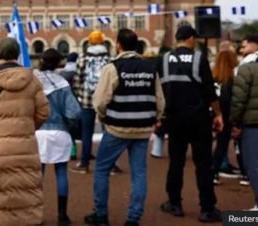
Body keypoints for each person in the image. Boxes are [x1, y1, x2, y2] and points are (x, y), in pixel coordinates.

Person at [84, 29, 165, 226]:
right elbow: (160, 101)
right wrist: (154, 118)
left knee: (102, 169)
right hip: (143, 129)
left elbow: (100, 101)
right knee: (139, 173)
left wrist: (104, 118)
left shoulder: (113, 68)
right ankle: (133, 218)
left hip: (117, 128)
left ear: (118, 45)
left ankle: (101, 215)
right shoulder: (150, 68)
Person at [0, 37, 50, 226]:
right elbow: (43, 112)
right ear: (17, 54)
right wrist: (28, 128)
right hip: (27, 143)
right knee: (28, 185)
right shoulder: (32, 79)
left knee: (2, 190)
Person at [159, 24, 223, 222]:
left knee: (176, 163)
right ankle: (207, 208)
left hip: (174, 118)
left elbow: (159, 89)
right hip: (198, 118)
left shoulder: (163, 59)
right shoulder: (199, 58)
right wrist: (218, 114)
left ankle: (175, 204)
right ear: (190, 38)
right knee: (203, 164)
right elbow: (209, 91)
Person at [35, 49, 82, 226]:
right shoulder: (62, 83)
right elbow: (74, 112)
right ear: (58, 64)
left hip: (39, 132)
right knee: (61, 172)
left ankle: (36, 213)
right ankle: (62, 215)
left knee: (38, 175)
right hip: (61, 132)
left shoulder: (33, 81)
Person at [230, 34, 258, 210]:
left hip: (254, 124)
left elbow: (238, 100)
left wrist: (235, 123)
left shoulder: (247, 68)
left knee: (254, 166)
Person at [71, 30, 111, 174]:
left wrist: (79, 94)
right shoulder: (108, 58)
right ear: (102, 42)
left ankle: (85, 163)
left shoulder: (83, 57)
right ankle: (110, 164)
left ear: (90, 42)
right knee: (108, 132)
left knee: (86, 132)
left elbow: (77, 80)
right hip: (105, 101)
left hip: (87, 100)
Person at [210, 50, 239, 185]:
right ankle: (213, 172)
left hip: (212, 114)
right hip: (225, 116)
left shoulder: (214, 76)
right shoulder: (230, 80)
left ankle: (213, 172)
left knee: (218, 145)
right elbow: (228, 100)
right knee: (221, 145)